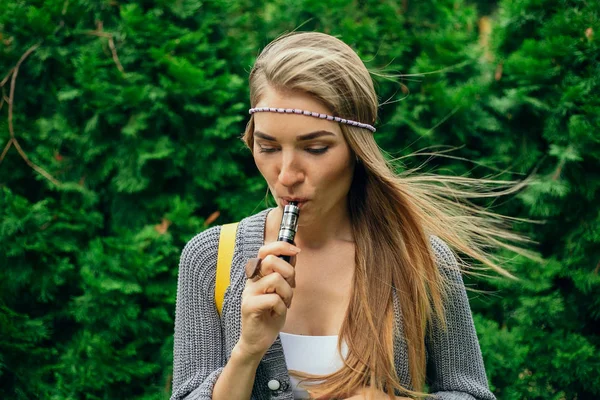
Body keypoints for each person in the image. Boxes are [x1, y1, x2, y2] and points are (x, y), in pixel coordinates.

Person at [171, 31, 532, 400]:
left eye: (315, 148)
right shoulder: (211, 258)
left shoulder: (421, 260)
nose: (286, 174)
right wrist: (246, 353)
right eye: (268, 147)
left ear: (357, 150)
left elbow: (470, 393)